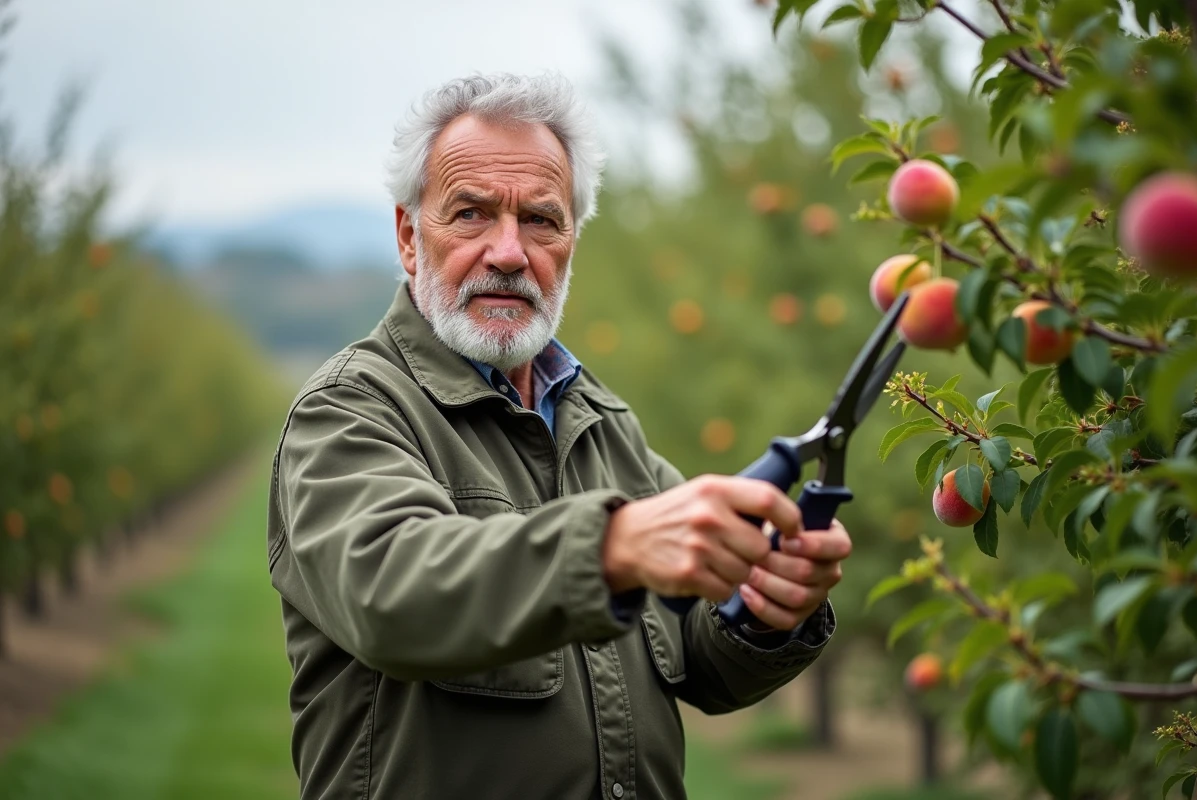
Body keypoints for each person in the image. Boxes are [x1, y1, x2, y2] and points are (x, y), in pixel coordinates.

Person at [267, 72, 853, 800]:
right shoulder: (352, 408)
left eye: (542, 220)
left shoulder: (600, 422)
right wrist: (610, 547)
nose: (510, 253)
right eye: (471, 214)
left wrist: (767, 609)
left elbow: (697, 656)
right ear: (410, 236)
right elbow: (390, 593)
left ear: (572, 241)